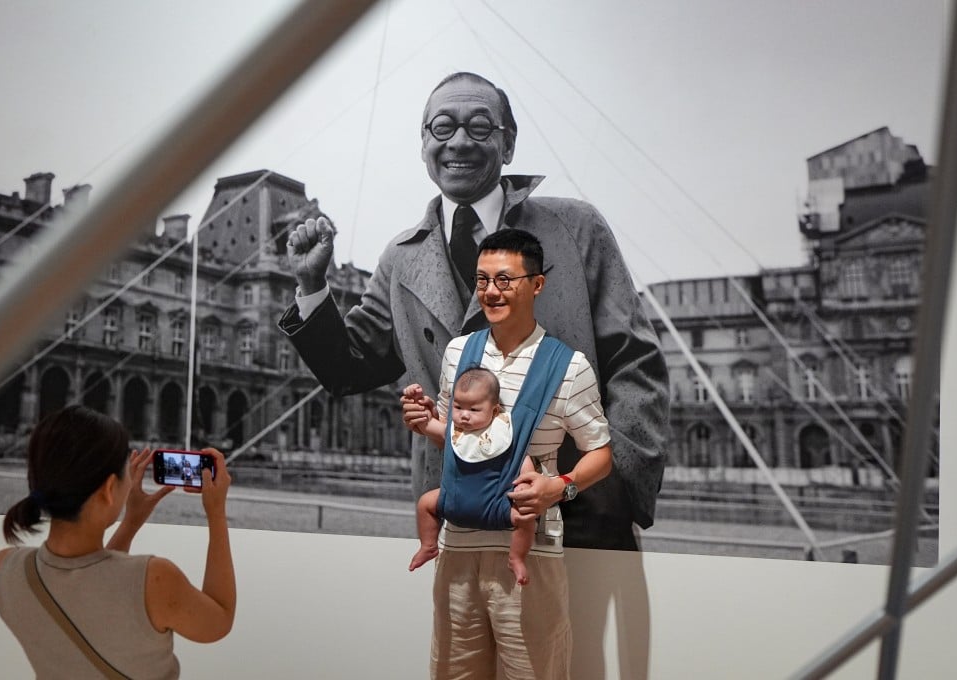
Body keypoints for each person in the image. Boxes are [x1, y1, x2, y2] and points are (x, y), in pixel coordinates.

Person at [281, 71, 669, 551]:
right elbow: (348, 369)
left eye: (480, 126)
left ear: (509, 144)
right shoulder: (400, 258)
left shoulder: (575, 227)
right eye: (443, 127)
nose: (459, 141)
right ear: (424, 145)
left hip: (575, 516)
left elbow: (634, 363)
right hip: (456, 516)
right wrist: (311, 285)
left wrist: (610, 491)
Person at [404, 229, 613, 678]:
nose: (491, 291)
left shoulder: (570, 366)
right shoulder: (458, 352)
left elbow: (601, 454)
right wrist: (425, 421)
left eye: (504, 280)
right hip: (457, 547)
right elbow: (460, 444)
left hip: (530, 554)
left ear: (536, 284)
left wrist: (559, 487)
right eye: (482, 280)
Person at [0, 405, 235, 679]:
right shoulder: (155, 579)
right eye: (126, 472)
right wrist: (216, 512)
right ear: (109, 488)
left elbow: (91, 587)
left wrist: (130, 522)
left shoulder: (4, 568)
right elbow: (220, 618)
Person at [407, 366, 539, 586]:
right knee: (425, 504)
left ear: (494, 411)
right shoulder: (453, 431)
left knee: (525, 519)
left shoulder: (503, 433)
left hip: (496, 505)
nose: (464, 415)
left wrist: (526, 481)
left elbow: (520, 458)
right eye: (458, 407)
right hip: (452, 500)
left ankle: (516, 557)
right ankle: (428, 545)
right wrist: (416, 400)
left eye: (474, 409)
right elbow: (427, 424)